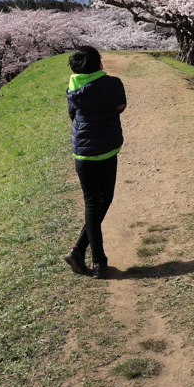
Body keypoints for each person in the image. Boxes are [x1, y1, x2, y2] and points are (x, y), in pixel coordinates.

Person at [63, 45, 126, 279]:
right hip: (106, 150)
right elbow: (121, 106)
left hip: (82, 153)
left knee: (92, 203)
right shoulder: (112, 83)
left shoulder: (72, 87)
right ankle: (93, 259)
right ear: (98, 62)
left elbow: (73, 115)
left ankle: (85, 254)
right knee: (104, 199)